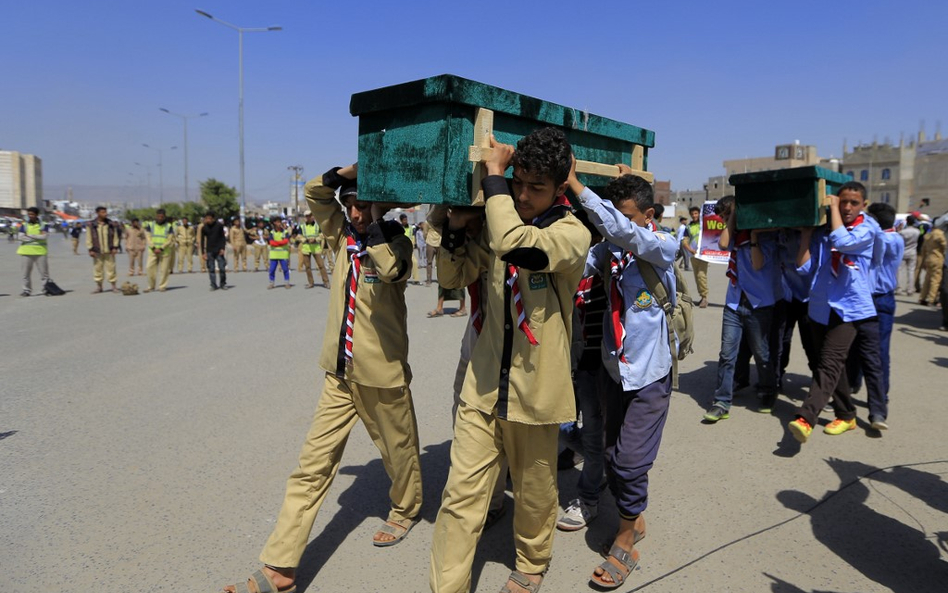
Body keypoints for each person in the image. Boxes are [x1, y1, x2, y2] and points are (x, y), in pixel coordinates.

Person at [219, 163, 421, 593]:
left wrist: (380, 220)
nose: (357, 213)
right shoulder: (340, 237)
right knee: (311, 467)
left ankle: (405, 508)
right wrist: (345, 173)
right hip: (339, 374)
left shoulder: (399, 243)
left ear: (380, 208)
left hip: (381, 374)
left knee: (398, 452)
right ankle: (281, 568)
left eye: (365, 206)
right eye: (352, 205)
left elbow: (389, 272)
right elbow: (315, 194)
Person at [429, 128, 589, 593]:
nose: (521, 194)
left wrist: (494, 175)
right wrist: (457, 230)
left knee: (535, 492)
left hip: (536, 392)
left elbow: (517, 246)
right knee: (460, 498)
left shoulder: (570, 232)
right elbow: (453, 275)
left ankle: (532, 562)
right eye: (518, 183)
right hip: (482, 386)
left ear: (560, 188)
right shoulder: (500, 224)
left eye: (535, 188)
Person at [566, 160, 676, 589]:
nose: (617, 227)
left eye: (626, 216)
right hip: (614, 372)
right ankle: (636, 516)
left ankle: (626, 537)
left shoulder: (661, 244)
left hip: (649, 375)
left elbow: (626, 233)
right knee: (611, 457)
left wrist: (575, 184)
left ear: (648, 217)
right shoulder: (606, 252)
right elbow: (574, 266)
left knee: (629, 463)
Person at [788, 182, 878, 443]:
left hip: (848, 309)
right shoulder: (824, 232)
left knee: (829, 363)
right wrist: (806, 235)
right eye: (843, 201)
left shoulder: (866, 229)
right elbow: (804, 268)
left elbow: (843, 241)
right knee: (827, 365)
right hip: (820, 306)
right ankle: (847, 415)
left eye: (854, 203)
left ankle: (806, 418)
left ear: (864, 205)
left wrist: (834, 208)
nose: (848, 207)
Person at [704, 197, 779, 422]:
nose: (726, 221)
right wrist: (732, 221)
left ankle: (768, 390)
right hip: (734, 303)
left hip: (759, 304)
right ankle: (721, 401)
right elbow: (723, 244)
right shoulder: (733, 236)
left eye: (728, 215)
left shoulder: (762, 235)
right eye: (724, 218)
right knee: (727, 354)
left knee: (762, 353)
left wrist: (754, 236)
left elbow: (758, 264)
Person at [555, 213, 605, 533]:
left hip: (598, 368)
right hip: (569, 364)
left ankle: (589, 496)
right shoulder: (571, 274)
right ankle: (600, 465)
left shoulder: (608, 268)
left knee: (592, 430)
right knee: (561, 426)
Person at [846, 202, 902, 430]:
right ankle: (852, 385)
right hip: (865, 298)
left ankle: (879, 400)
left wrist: (867, 223)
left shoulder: (892, 239)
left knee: (878, 353)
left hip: (881, 300)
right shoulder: (878, 237)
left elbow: (880, 241)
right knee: (854, 347)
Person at [86, 206, 120, 294]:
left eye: (105, 212)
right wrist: (90, 249)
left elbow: (115, 236)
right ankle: (99, 287)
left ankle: (114, 286)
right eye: (102, 212)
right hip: (97, 250)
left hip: (109, 250)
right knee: (98, 269)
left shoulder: (110, 224)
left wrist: (115, 247)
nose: (105, 214)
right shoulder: (92, 225)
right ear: (97, 213)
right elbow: (89, 237)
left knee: (111, 268)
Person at [18, 207, 50, 297]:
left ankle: (46, 289)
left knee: (44, 273)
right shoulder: (24, 225)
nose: (30, 216)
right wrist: (37, 236)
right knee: (25, 273)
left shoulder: (43, 225)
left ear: (37, 215)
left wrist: (30, 235)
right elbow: (20, 237)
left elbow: (44, 236)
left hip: (40, 252)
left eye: (32, 214)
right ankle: (26, 290)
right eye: (29, 214)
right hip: (26, 252)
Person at [143, 209, 174, 293]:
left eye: (162, 217)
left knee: (164, 270)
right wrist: (153, 248)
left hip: (164, 251)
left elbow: (169, 239)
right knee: (149, 268)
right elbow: (148, 237)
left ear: (164, 217)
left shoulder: (169, 226)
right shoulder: (150, 225)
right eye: (158, 216)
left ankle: (162, 286)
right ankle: (151, 286)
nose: (160, 218)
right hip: (153, 251)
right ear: (156, 216)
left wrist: (161, 248)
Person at [683, 206, 709, 307]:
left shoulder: (704, 225)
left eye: (696, 213)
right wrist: (690, 250)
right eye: (692, 214)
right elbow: (685, 241)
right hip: (693, 254)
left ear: (699, 214)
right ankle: (702, 296)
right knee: (696, 276)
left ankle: (704, 297)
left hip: (703, 254)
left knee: (701, 275)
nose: (694, 215)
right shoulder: (688, 227)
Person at [297, 210, 330, 289]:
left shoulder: (317, 226)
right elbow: (299, 236)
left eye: (310, 215)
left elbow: (322, 235)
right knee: (307, 267)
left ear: (313, 216)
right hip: (306, 248)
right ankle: (310, 282)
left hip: (316, 248)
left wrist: (315, 239)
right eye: (307, 216)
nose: (309, 217)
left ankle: (326, 282)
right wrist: (306, 240)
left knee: (321, 265)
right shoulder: (302, 226)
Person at [919, 222, 945, 306]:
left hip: (929, 257)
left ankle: (922, 297)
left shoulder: (928, 235)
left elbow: (923, 249)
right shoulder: (939, 234)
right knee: (935, 280)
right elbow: (944, 245)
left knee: (927, 279)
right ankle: (932, 299)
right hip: (937, 258)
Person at [201, 211, 227, 291]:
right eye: (206, 219)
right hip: (209, 251)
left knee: (222, 268)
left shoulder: (219, 226)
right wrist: (203, 252)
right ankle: (213, 285)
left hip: (219, 250)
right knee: (211, 269)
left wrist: (222, 248)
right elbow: (202, 240)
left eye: (210, 218)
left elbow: (223, 238)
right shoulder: (204, 228)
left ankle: (223, 284)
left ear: (213, 219)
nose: (208, 220)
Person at [897, 215, 920, 295]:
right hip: (913, 251)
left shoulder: (903, 232)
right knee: (911, 271)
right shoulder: (917, 231)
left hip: (903, 252)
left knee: (899, 270)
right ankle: (910, 289)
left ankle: (899, 288)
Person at [267, 218, 292, 289]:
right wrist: (281, 242)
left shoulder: (285, 232)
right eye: (277, 222)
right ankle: (271, 283)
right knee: (272, 270)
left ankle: (287, 283)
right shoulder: (272, 232)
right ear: (274, 223)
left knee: (285, 269)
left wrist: (276, 243)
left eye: (280, 222)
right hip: (274, 254)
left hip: (283, 254)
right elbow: (271, 243)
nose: (279, 223)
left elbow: (286, 241)